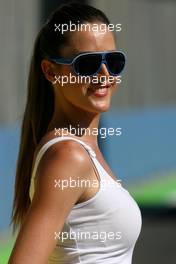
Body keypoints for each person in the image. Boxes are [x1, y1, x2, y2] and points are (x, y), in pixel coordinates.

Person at [9, 2, 142, 263]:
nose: (105, 74)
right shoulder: (68, 156)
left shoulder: (80, 150)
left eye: (114, 61)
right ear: (50, 71)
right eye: (88, 63)